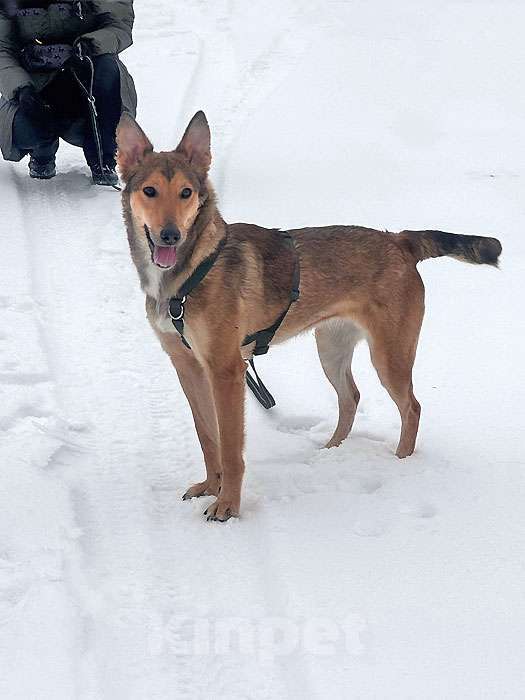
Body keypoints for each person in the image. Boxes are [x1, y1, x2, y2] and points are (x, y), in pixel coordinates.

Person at [0, 0, 137, 185]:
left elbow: (119, 26)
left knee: (106, 67)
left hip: (85, 76)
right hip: (35, 82)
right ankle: (42, 151)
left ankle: (103, 159)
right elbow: (2, 49)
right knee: (27, 127)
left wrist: (93, 43)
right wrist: (21, 88)